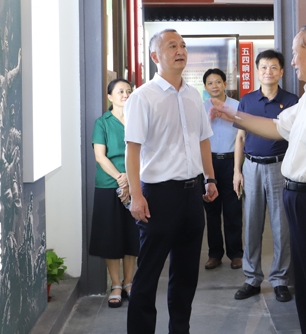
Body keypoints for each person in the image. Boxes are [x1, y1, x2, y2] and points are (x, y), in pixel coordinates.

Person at [210, 25, 306, 334]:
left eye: (296, 54)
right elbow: (276, 127)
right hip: (299, 199)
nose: (293, 61)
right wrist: (233, 115)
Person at [125, 29, 219, 334]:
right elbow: (132, 150)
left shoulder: (193, 95)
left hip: (193, 195)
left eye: (183, 46)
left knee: (186, 274)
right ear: (155, 55)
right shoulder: (142, 97)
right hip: (158, 196)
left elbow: (203, 140)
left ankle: (180, 329)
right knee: (148, 274)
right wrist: (136, 195)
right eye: (172, 46)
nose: (180, 51)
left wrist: (210, 179)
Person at [232, 50, 298, 303]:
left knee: (282, 227)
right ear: (257, 71)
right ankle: (252, 279)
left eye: (273, 67)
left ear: (281, 72)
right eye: (263, 67)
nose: (268, 72)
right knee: (251, 224)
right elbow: (240, 138)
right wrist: (237, 171)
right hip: (251, 167)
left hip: (280, 167)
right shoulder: (247, 101)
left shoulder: (291, 101)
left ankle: (280, 280)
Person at [89, 78, 139, 308]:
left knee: (132, 234)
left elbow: (145, 150)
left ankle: (129, 282)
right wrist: (121, 177)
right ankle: (116, 285)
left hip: (136, 183)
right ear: (110, 97)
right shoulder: (102, 122)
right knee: (111, 236)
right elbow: (100, 156)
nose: (125, 95)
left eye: (128, 91)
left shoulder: (137, 119)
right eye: (120, 91)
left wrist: (130, 179)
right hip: (109, 185)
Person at [201, 68, 243, 270]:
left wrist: (229, 117)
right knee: (212, 211)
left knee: (233, 210)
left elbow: (244, 133)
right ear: (205, 87)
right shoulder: (201, 108)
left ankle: (236, 254)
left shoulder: (237, 106)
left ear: (225, 84)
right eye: (210, 83)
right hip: (209, 163)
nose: (214, 86)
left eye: (218, 82)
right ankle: (214, 254)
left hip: (231, 162)